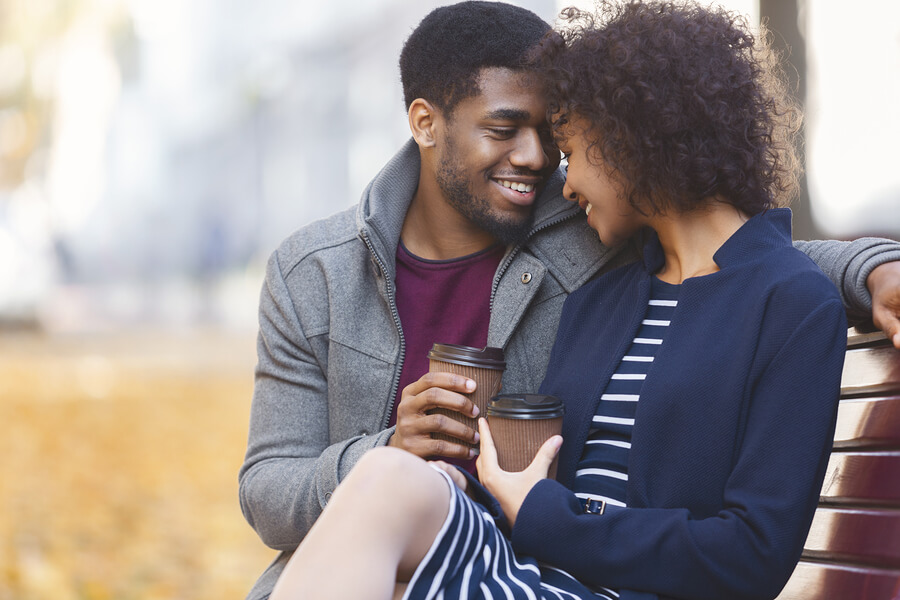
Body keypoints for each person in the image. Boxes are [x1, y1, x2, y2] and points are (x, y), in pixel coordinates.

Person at [238, 2, 900, 598]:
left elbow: (744, 269)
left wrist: (872, 266)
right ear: (426, 122)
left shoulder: (598, 247)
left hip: (561, 564)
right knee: (385, 476)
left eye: (563, 146)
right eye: (504, 130)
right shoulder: (314, 273)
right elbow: (268, 486)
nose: (547, 166)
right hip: (510, 559)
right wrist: (397, 447)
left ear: (631, 141)